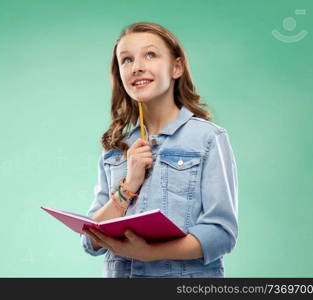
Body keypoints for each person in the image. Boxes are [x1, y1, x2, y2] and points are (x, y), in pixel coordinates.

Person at [81, 22, 238, 278]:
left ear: (176, 67)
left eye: (150, 55)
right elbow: (91, 241)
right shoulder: (115, 147)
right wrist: (129, 185)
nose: (137, 67)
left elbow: (221, 233)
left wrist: (151, 252)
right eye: (127, 60)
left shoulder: (208, 138)